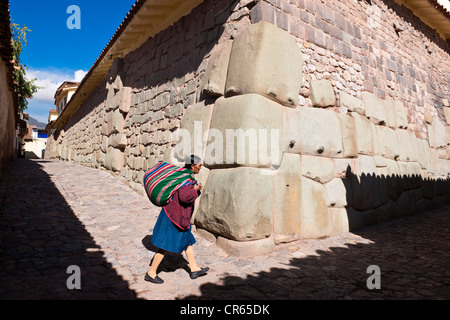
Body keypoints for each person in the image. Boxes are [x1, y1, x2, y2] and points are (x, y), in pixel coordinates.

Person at [144, 155, 209, 284]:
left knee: (187, 241)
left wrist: (195, 189)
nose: (200, 168)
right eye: (199, 165)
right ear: (192, 166)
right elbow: (184, 197)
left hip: (177, 216)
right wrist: (196, 190)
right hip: (175, 218)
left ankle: (194, 268)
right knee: (164, 246)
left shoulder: (184, 175)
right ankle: (151, 273)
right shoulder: (187, 179)